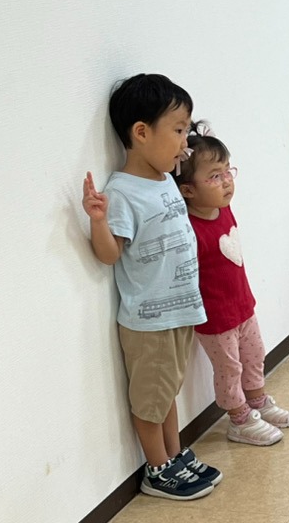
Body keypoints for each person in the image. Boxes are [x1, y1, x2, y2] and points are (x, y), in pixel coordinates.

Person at [82, 74, 221, 501]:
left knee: (168, 390)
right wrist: (99, 220)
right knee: (150, 399)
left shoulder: (162, 181)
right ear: (141, 133)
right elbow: (109, 255)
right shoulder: (123, 192)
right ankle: (157, 469)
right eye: (179, 130)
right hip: (150, 320)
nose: (185, 143)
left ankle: (175, 455)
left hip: (179, 310)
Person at [173, 125, 289, 447]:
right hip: (215, 318)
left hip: (243, 304)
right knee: (229, 368)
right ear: (187, 190)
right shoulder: (189, 228)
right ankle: (239, 420)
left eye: (227, 170)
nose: (226, 180)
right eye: (214, 176)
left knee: (255, 357)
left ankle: (258, 402)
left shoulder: (224, 209)